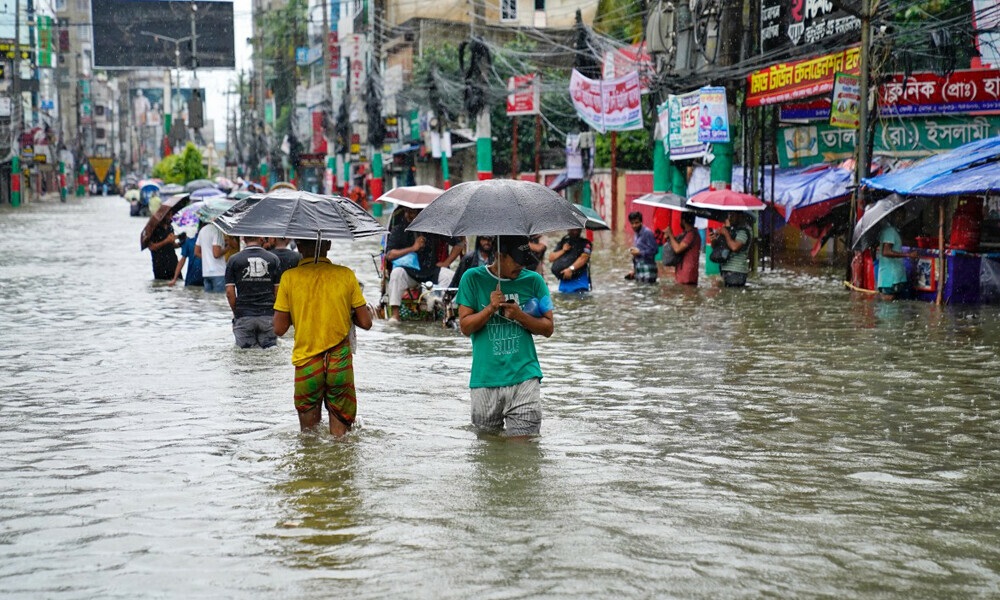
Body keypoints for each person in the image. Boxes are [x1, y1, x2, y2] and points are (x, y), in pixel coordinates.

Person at [273, 237, 373, 437]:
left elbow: (278, 328)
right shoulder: (345, 275)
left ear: (299, 246)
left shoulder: (289, 278)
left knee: (308, 438)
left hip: (307, 364)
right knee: (341, 440)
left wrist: (298, 311)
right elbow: (366, 322)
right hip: (339, 362)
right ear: (328, 245)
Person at [455, 235, 553, 438]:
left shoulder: (534, 281)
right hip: (485, 380)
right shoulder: (472, 278)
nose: (521, 266)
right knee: (488, 454)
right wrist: (490, 308)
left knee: (523, 456)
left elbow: (548, 328)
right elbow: (465, 327)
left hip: (524, 377)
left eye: (524, 260)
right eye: (516, 260)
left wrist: (520, 316)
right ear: (500, 255)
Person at [384, 206, 464, 322]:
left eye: (412, 212)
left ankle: (446, 312)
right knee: (396, 273)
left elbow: (460, 244)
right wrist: (413, 248)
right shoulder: (399, 230)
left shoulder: (433, 228)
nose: (408, 215)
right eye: (406, 212)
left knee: (450, 277)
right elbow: (389, 255)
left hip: (431, 271)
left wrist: (446, 262)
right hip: (409, 272)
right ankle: (395, 315)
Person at [225, 236, 281, 348]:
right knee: (270, 352)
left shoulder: (234, 260)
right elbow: (278, 291)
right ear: (261, 239)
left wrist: (237, 313)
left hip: (244, 315)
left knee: (245, 356)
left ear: (243, 239)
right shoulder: (273, 259)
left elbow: (230, 292)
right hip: (268, 316)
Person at [877, 212, 918, 301]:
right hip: (890, 278)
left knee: (892, 308)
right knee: (889, 307)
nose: (901, 219)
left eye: (902, 216)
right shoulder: (890, 231)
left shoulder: (892, 231)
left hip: (892, 278)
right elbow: (886, 251)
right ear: (892, 216)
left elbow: (895, 245)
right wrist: (908, 255)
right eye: (898, 216)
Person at [709, 212, 753, 288]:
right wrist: (714, 240)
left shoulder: (744, 231)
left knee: (733, 295)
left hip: (736, 272)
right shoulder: (732, 230)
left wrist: (726, 234)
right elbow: (717, 248)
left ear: (740, 215)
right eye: (729, 215)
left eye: (733, 215)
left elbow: (734, 247)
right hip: (726, 270)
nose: (730, 218)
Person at [548, 228, 592, 293]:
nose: (574, 231)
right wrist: (563, 250)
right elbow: (551, 258)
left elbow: (584, 258)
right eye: (572, 229)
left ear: (580, 230)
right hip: (564, 284)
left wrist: (570, 269)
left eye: (576, 229)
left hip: (579, 283)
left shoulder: (585, 243)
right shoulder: (563, 242)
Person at [665, 213, 701, 286]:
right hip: (683, 275)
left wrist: (671, 235)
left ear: (683, 221)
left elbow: (678, 249)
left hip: (687, 276)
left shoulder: (691, 235)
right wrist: (669, 237)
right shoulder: (687, 234)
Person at [626, 211, 659, 283]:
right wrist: (634, 270)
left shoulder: (647, 233)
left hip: (648, 269)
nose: (634, 225)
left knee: (647, 292)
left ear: (641, 222)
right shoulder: (636, 234)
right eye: (632, 223)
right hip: (639, 269)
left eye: (636, 223)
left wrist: (640, 252)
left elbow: (655, 250)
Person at [168, 222, 204, 288]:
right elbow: (182, 261)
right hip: (201, 278)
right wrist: (175, 279)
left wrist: (174, 279)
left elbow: (182, 261)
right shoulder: (189, 241)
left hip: (196, 278)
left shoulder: (189, 241)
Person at [195, 223, 227, 293]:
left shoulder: (202, 230)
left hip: (206, 273)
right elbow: (216, 254)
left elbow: (196, 252)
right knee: (218, 301)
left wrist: (207, 259)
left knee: (209, 302)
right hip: (218, 272)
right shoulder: (217, 230)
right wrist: (228, 248)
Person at [147, 215, 180, 281]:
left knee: (177, 284)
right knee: (161, 285)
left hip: (173, 263)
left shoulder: (170, 227)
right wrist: (166, 241)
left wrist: (182, 243)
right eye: (169, 214)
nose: (171, 217)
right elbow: (152, 247)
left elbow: (172, 245)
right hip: (160, 264)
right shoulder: (152, 229)